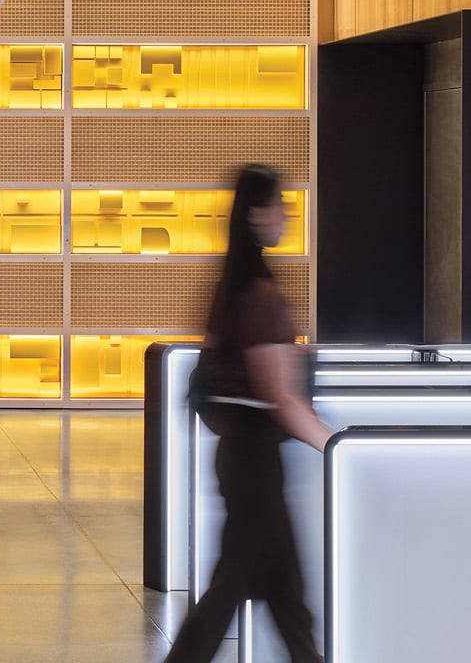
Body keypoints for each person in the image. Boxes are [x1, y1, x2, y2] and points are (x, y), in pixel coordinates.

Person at [163, 163, 332, 663]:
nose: (285, 214)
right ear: (256, 214)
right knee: (241, 593)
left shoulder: (237, 287)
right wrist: (338, 445)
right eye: (279, 204)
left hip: (245, 460)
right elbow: (281, 396)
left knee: (285, 597)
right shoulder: (259, 295)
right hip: (254, 465)